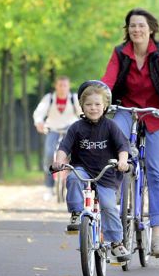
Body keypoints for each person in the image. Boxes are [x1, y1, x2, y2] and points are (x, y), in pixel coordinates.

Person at [101, 8, 159, 258]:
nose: (137, 30)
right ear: (128, 29)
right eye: (132, 26)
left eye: (141, 26)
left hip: (157, 111)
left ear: (151, 29)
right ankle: (112, 201)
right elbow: (108, 81)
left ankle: (157, 235)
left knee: (156, 171)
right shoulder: (119, 53)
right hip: (127, 107)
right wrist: (100, 101)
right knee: (114, 151)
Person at [53, 80, 131, 261]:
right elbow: (64, 147)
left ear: (104, 107)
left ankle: (116, 243)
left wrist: (122, 161)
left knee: (109, 206)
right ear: (82, 106)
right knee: (72, 179)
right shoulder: (76, 128)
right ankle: (75, 213)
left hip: (106, 172)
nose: (93, 108)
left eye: (97, 104)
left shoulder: (111, 126)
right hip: (83, 168)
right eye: (88, 104)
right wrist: (59, 161)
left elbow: (122, 147)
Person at [33, 76, 82, 200]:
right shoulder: (49, 99)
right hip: (53, 129)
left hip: (70, 131)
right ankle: (49, 188)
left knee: (75, 156)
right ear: (56, 86)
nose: (62, 88)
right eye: (60, 85)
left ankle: (72, 182)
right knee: (49, 155)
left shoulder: (73, 98)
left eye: (65, 85)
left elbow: (82, 113)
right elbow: (39, 112)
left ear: (68, 86)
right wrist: (39, 122)